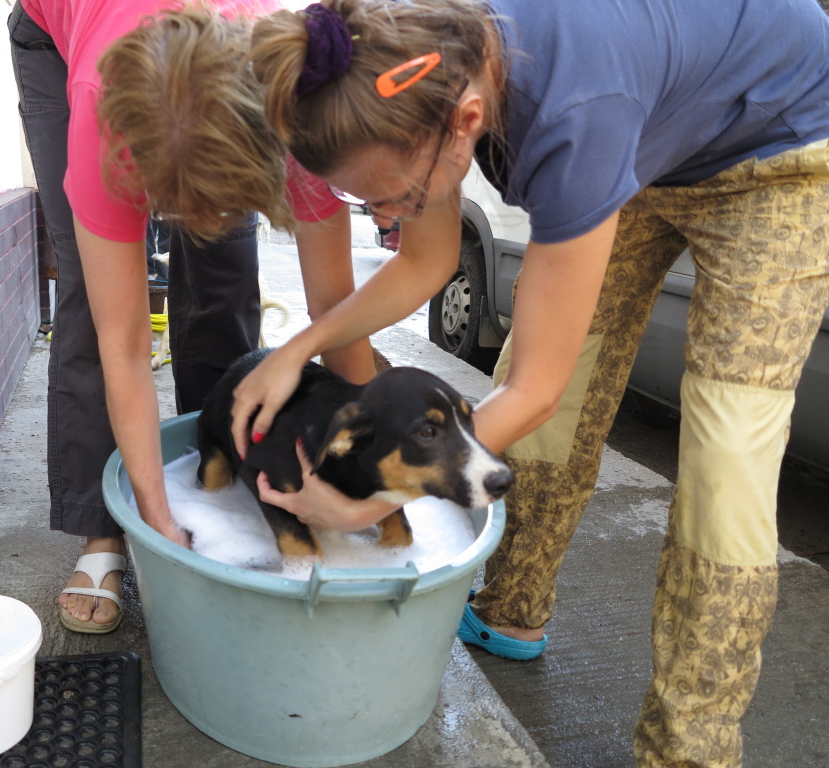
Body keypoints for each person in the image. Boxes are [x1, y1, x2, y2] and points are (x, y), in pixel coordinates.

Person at [231, 1, 829, 766]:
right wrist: (301, 347)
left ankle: (690, 750)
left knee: (727, 466)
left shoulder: (575, 115)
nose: (383, 215)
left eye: (394, 197)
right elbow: (424, 262)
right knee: (550, 395)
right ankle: (511, 610)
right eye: (367, 202)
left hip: (777, 152)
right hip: (650, 136)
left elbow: (533, 389)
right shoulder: (423, 69)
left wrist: (368, 498)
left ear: (465, 119)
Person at [8, 0, 372, 634]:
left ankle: (225, 474)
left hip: (212, 85)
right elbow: (123, 342)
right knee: (94, 305)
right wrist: (156, 516)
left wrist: (368, 459)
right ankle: (102, 533)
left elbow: (338, 307)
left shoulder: (298, 100)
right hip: (59, 40)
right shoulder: (102, 116)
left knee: (223, 274)